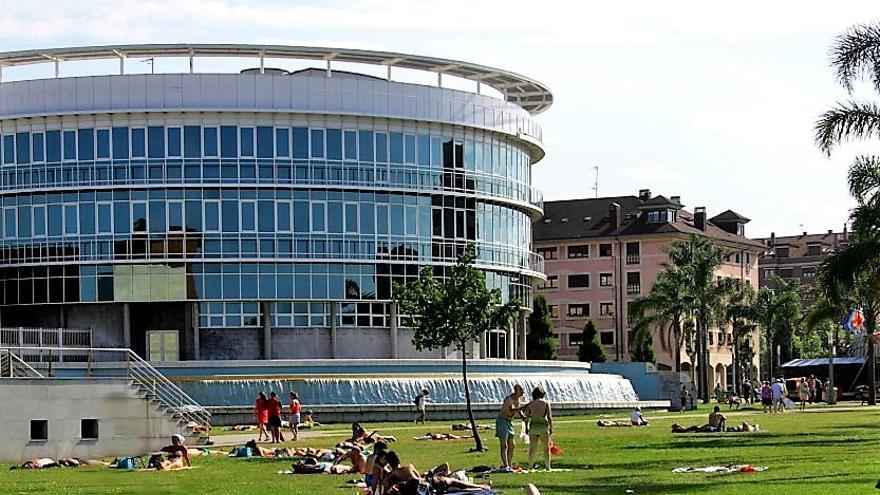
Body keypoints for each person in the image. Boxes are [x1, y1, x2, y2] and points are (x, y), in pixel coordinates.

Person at [496, 384, 525, 471]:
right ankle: (505, 465)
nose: (523, 392)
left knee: (512, 445)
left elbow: (518, 409)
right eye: (521, 390)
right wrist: (524, 407)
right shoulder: (509, 399)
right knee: (504, 445)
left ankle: (509, 464)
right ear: (516, 391)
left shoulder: (519, 399)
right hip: (502, 421)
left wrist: (522, 415)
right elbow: (512, 409)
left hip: (509, 422)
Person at [525, 386, 554, 470]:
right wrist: (551, 427)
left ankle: (530, 466)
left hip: (533, 426)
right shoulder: (546, 403)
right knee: (546, 448)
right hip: (543, 426)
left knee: (532, 448)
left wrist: (526, 428)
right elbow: (549, 417)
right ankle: (548, 467)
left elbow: (527, 418)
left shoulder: (530, 404)